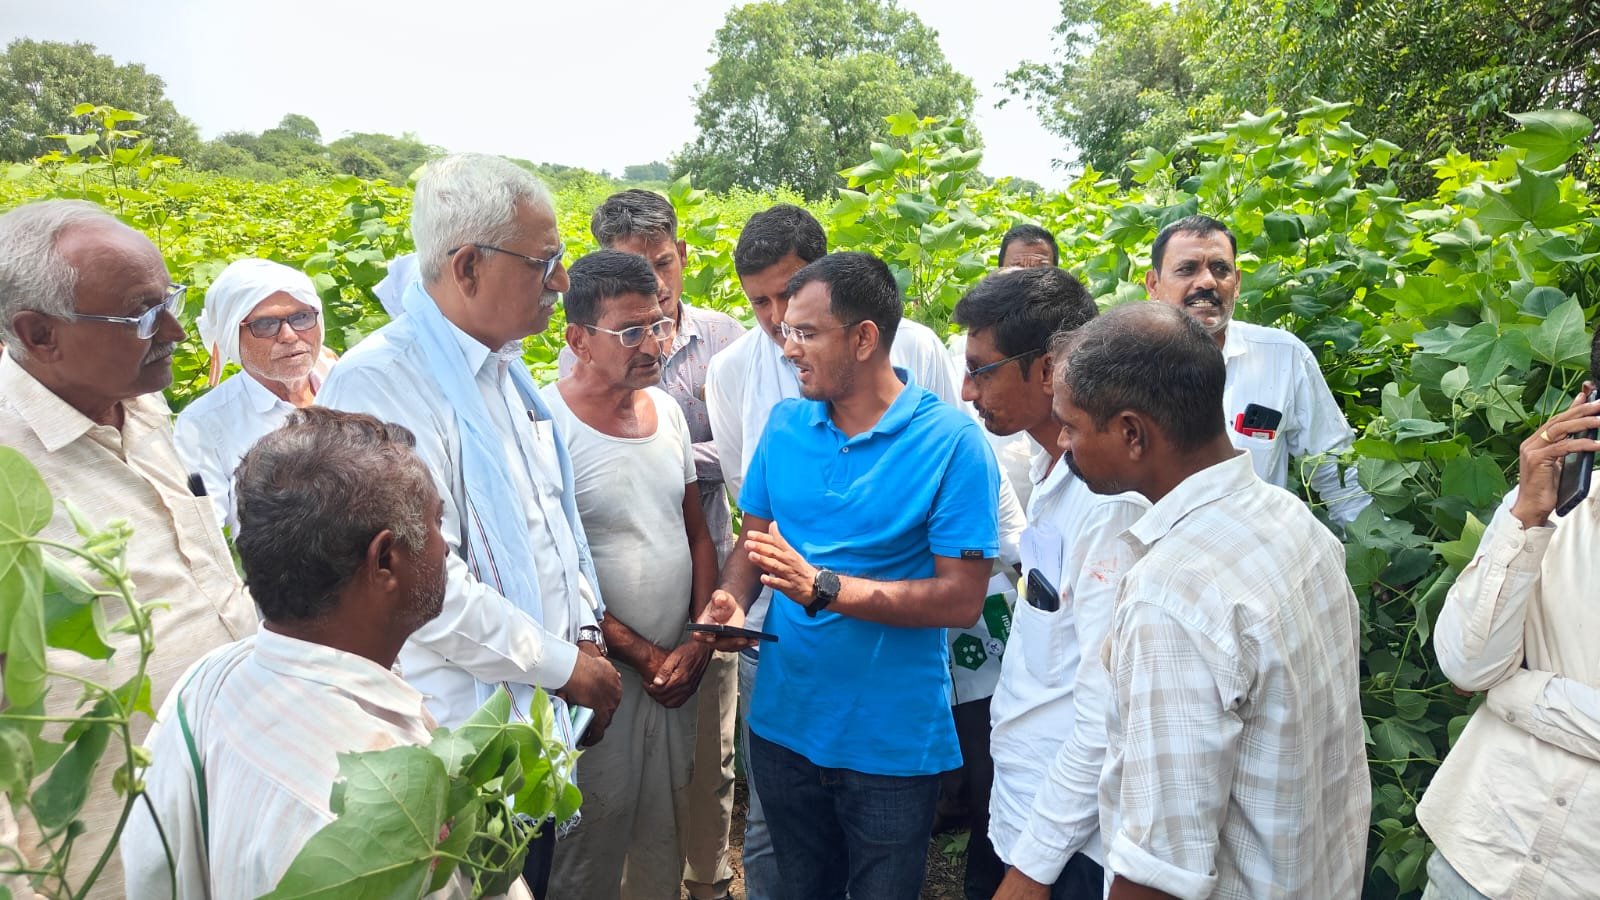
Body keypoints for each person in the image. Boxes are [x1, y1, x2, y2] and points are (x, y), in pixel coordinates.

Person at [316, 153, 623, 896]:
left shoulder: (502, 368)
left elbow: (551, 522)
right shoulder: (382, 382)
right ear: (468, 267)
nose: (561, 283)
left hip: (532, 713)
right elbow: (418, 585)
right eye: (544, 262)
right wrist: (562, 665)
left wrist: (581, 632)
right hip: (456, 732)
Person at [703, 204, 1011, 899]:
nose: (788, 348)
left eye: (806, 332)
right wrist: (731, 596)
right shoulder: (785, 426)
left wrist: (825, 588)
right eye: (783, 331)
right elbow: (755, 542)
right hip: (784, 724)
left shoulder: (952, 445)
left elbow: (961, 598)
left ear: (866, 337)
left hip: (889, 741)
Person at [123, 408, 532, 900]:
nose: (444, 549)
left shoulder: (209, 679)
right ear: (384, 561)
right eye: (435, 523)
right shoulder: (378, 815)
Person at [1052, 302, 1368, 899]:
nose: (1064, 445)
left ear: (1130, 433)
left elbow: (1161, 868)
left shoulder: (1171, 595)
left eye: (1070, 426)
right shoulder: (1294, 522)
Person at [0, 199, 257, 895]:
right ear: (38, 333)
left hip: (218, 821)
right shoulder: (6, 471)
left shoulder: (141, 404)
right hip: (95, 862)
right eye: (141, 314)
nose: (173, 329)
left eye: (169, 299)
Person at [556, 190, 745, 900]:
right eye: (632, 334)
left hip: (680, 662)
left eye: (660, 328)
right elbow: (557, 567)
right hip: (603, 668)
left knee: (669, 812)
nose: (656, 347)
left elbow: (695, 527)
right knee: (595, 829)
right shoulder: (546, 426)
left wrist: (697, 638)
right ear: (577, 339)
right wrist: (643, 653)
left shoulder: (665, 410)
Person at [951, 268, 1149, 900]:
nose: (966, 389)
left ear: (1046, 370)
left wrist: (1033, 871)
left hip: (1073, 841)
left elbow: (1106, 710)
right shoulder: (1051, 470)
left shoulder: (1109, 506)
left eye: (982, 369)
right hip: (1030, 805)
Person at [1416, 336, 1600, 899]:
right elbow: (1467, 665)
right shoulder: (1553, 506)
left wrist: (1520, 695)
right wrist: (1525, 515)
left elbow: (1494, 685)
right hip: (1478, 853)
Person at [1144, 214, 1371, 528]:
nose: (1207, 282)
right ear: (1153, 285)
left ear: (1236, 283)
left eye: (1220, 269)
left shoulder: (1283, 357)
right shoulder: (1128, 365)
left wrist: (1376, 560)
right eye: (1187, 269)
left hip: (1255, 565)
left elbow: (1335, 471)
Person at [174, 258, 336, 532]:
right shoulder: (203, 424)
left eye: (301, 317)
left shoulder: (349, 383)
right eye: (265, 325)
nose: (288, 335)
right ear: (231, 337)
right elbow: (200, 533)